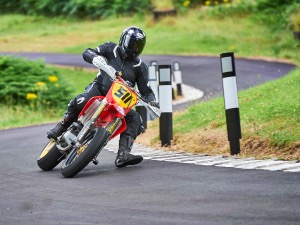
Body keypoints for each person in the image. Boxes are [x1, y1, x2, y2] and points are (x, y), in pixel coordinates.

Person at [47, 26, 158, 168]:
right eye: (132, 43)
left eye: (138, 45)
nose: (134, 48)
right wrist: (95, 57)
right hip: (99, 89)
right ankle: (61, 126)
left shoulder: (140, 66)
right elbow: (87, 52)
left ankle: (123, 154)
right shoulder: (110, 48)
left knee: (136, 119)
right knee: (82, 100)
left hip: (118, 102)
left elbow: (146, 90)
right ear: (124, 40)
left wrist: (152, 100)